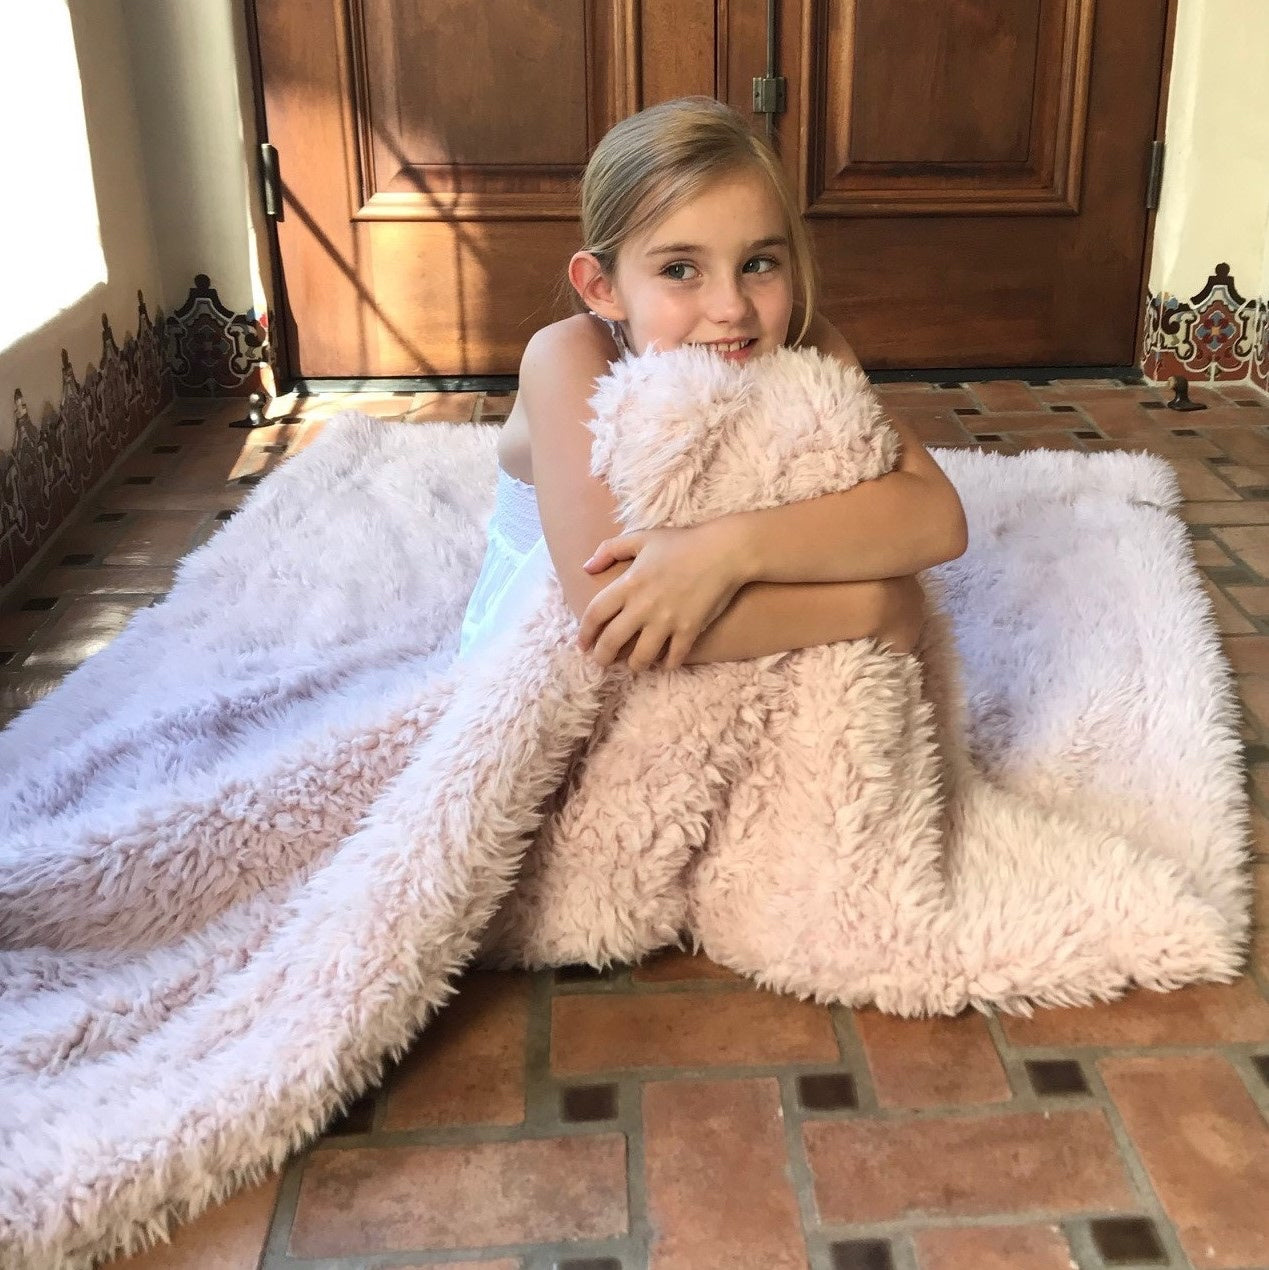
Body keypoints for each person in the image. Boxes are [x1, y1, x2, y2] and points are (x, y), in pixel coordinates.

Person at [459, 96, 967, 670]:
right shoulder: (568, 356)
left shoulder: (804, 337)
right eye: (679, 270)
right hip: (555, 652)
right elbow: (613, 616)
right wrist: (875, 606)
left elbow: (937, 517)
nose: (731, 308)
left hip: (732, 616)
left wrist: (730, 551)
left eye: (758, 264)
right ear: (603, 287)